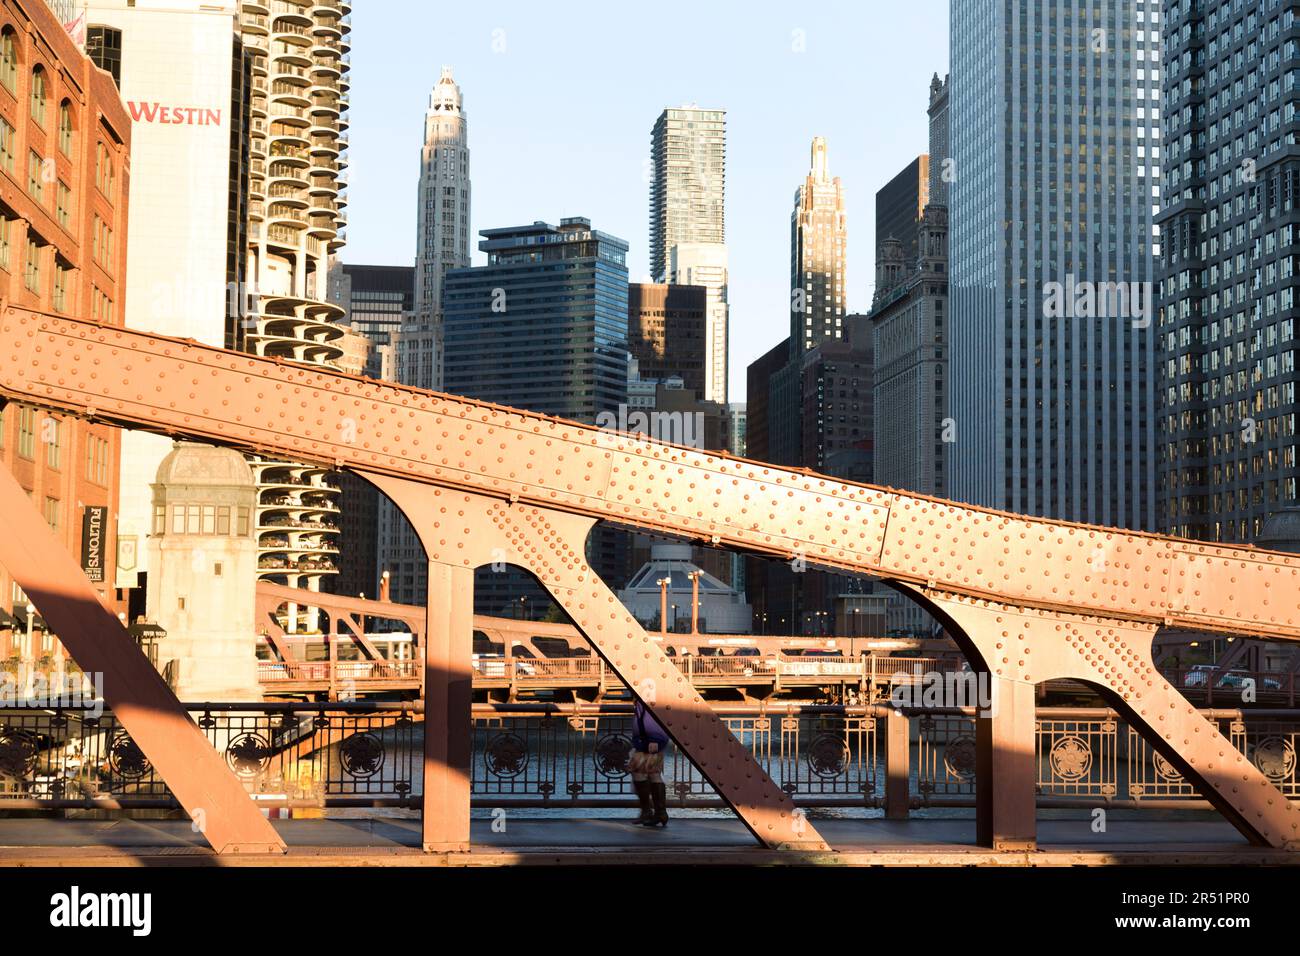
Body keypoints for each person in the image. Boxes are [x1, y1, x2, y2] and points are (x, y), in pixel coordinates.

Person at [628, 698, 670, 827]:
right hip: (649, 740)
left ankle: (652, 812)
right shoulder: (651, 692)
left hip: (649, 741)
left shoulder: (648, 692)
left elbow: (652, 715)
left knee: (641, 773)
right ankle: (658, 813)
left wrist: (654, 738)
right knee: (652, 773)